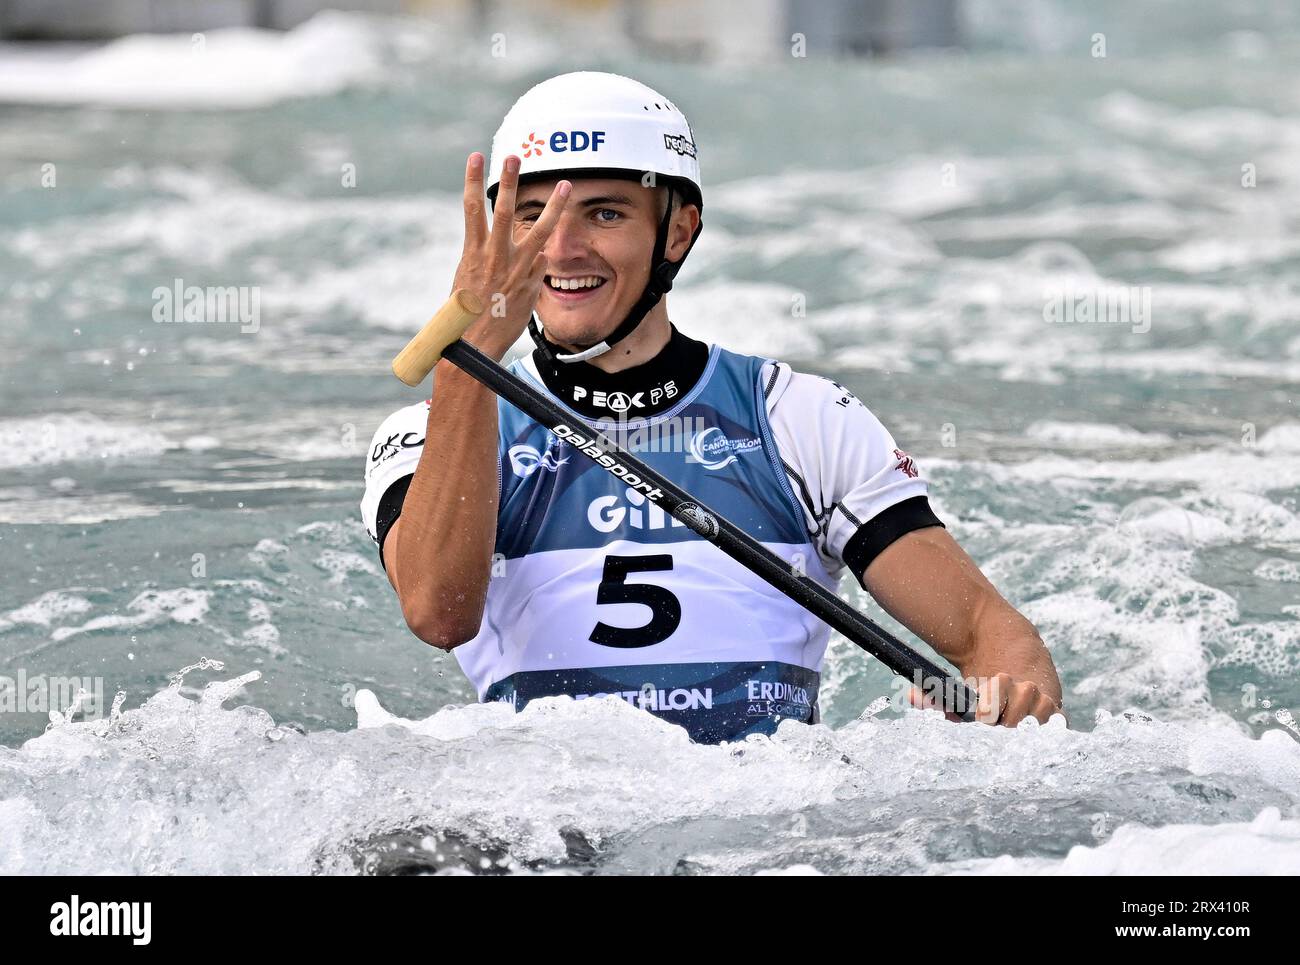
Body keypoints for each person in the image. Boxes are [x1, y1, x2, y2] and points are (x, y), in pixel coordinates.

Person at [361, 71, 1063, 743]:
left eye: (604, 213)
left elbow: (988, 634)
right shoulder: (429, 433)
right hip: (546, 831)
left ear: (677, 231)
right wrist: (470, 359)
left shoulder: (801, 420)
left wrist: (1010, 699)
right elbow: (438, 612)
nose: (562, 248)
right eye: (532, 215)